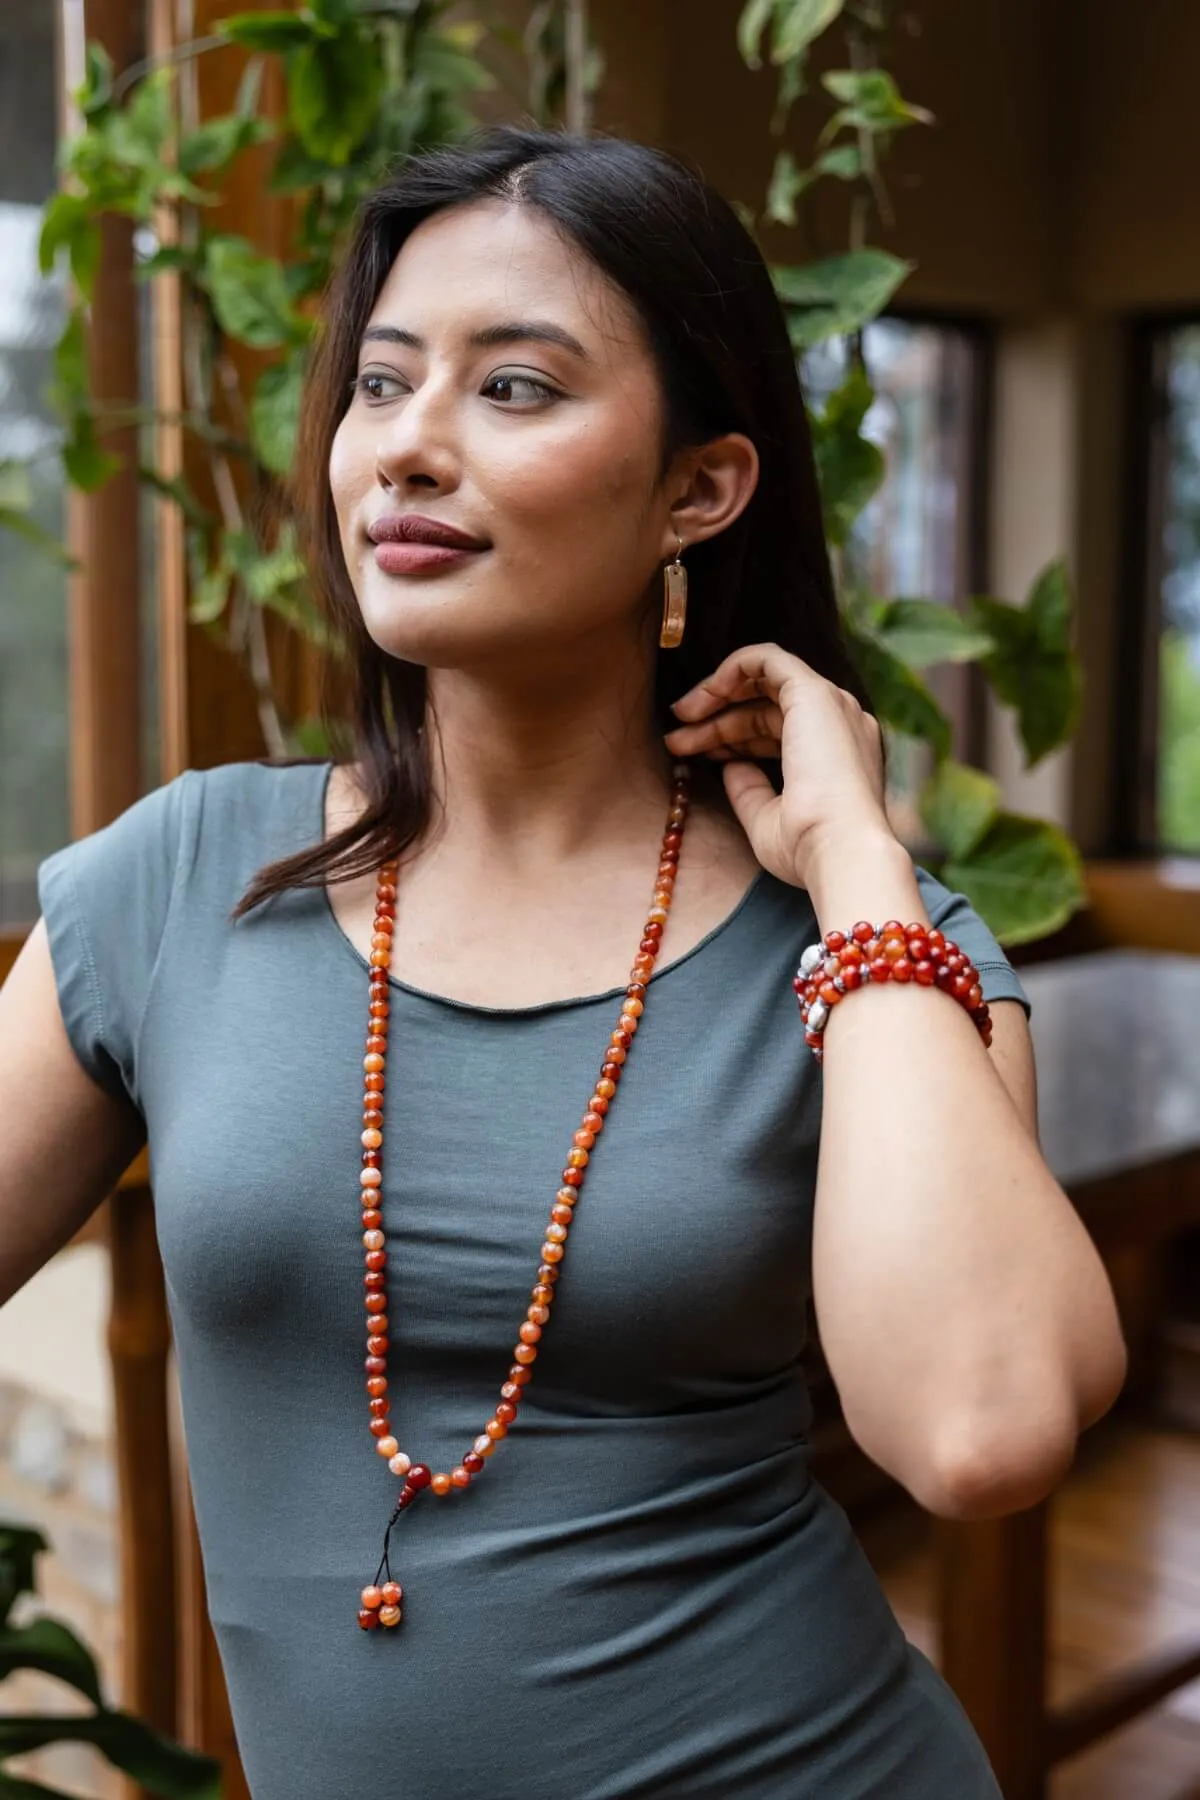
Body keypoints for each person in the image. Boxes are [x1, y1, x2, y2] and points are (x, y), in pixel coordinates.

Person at [0, 127, 1125, 1798]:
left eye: (513, 390)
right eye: (382, 386)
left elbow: (982, 1428)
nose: (408, 448)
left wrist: (858, 866)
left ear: (699, 487)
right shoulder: (179, 880)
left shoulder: (877, 952)